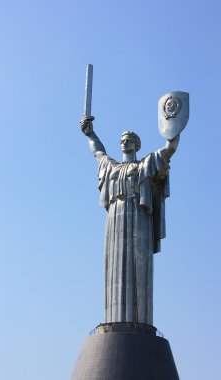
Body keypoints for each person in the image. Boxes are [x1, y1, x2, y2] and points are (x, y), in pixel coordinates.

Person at [81, 116, 180, 325]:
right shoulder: (112, 168)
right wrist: (90, 133)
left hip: (138, 216)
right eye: (122, 140)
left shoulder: (145, 164)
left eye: (128, 140)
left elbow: (169, 149)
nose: (124, 143)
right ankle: (113, 322)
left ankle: (139, 322)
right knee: (114, 266)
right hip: (115, 219)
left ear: (137, 144)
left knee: (139, 263)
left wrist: (174, 127)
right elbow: (97, 151)